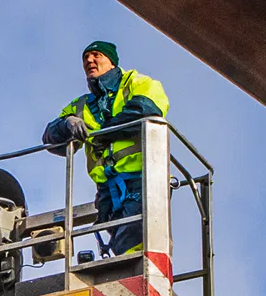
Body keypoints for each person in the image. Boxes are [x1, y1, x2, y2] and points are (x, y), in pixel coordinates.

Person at [42, 41, 170, 263]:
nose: (89, 61)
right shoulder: (81, 105)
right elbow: (51, 140)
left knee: (137, 237)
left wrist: (102, 133)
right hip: (107, 191)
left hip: (142, 179)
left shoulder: (138, 83)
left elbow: (145, 110)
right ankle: (129, 273)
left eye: (96, 55)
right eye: (85, 58)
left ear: (111, 61)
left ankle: (139, 275)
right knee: (121, 239)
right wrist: (67, 124)